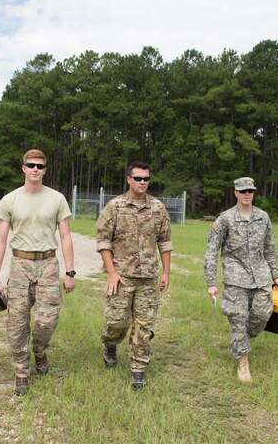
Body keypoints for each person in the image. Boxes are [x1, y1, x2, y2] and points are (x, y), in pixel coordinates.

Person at [0, 149, 75, 397]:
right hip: (20, 264)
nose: (35, 169)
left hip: (48, 264)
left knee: (48, 320)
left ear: (45, 170)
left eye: (39, 166)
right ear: (23, 168)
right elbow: (0, 240)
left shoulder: (57, 199)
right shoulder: (10, 200)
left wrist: (70, 271)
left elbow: (66, 236)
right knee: (16, 322)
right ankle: (21, 373)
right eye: (30, 165)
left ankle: (39, 350)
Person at [95, 161, 173, 389]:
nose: (142, 183)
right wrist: (111, 272)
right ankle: (110, 344)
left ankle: (138, 369)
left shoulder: (158, 208)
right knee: (116, 322)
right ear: (128, 179)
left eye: (146, 179)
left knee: (144, 326)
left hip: (148, 279)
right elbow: (102, 242)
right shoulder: (114, 207)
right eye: (137, 178)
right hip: (121, 277)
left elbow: (165, 242)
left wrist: (166, 273)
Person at [203, 177, 278, 383]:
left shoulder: (263, 217)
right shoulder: (225, 219)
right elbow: (211, 252)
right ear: (236, 193)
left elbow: (270, 248)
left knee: (262, 315)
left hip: (261, 277)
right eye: (243, 190)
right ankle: (242, 361)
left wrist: (276, 275)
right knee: (238, 320)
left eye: (250, 190)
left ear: (253, 193)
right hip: (235, 279)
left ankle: (240, 338)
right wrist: (211, 282)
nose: (247, 194)